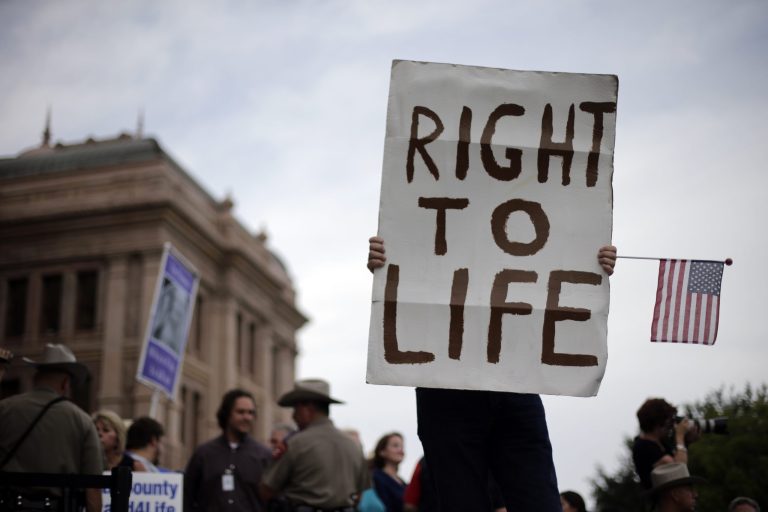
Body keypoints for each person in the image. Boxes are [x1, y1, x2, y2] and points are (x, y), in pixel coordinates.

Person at [367, 236, 617, 511]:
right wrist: (389, 261)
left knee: (539, 500)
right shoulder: (423, 218)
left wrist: (587, 260)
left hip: (513, 384)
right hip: (447, 389)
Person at [0, 343, 103, 512]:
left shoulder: (4, 409)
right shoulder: (82, 421)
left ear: (36, 378)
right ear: (66, 383)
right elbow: (92, 488)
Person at [260, 379, 369, 511]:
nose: (294, 416)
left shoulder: (296, 443)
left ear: (308, 409)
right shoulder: (353, 446)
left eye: (296, 409)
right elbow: (359, 495)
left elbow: (267, 490)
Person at [185, 388, 272, 512]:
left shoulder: (264, 456)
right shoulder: (204, 454)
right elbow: (187, 496)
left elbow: (274, 501)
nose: (247, 417)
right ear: (227, 414)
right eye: (240, 412)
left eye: (250, 413)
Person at [632, 398, 700, 489]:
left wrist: (686, 441)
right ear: (658, 423)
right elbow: (679, 469)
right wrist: (680, 436)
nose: (671, 425)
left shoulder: (662, 442)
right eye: (669, 421)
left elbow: (678, 458)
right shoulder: (643, 446)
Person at [370, 433, 407, 512]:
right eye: (395, 446)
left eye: (402, 446)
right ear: (382, 452)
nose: (401, 450)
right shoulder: (376, 477)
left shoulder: (403, 482)